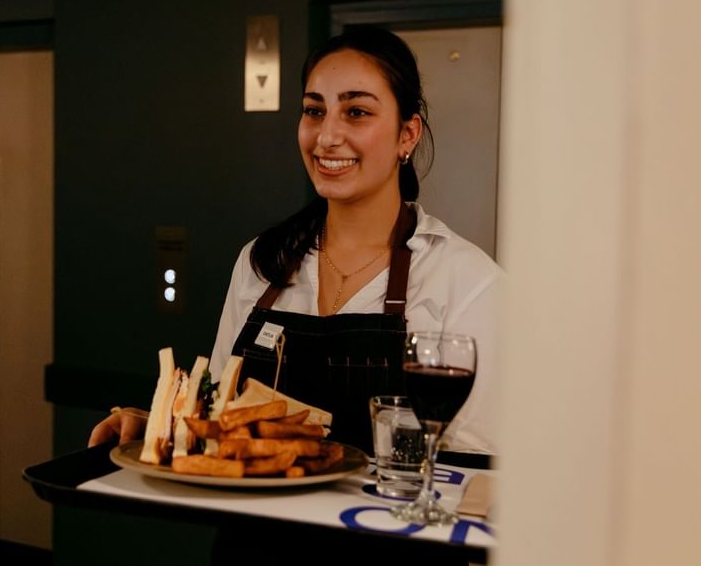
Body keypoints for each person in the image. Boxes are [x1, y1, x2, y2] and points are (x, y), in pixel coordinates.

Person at [90, 26, 501, 455]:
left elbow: (475, 466)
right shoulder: (264, 261)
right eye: (314, 111)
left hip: (381, 521)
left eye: (357, 112)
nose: (326, 137)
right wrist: (156, 425)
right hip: (252, 521)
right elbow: (218, 416)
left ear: (407, 134)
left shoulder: (466, 281)